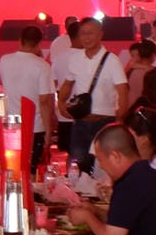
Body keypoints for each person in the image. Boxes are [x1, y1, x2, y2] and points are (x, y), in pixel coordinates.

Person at [54, 17, 127, 174]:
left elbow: (122, 90)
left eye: (90, 33)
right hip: (80, 122)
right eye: (83, 33)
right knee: (77, 166)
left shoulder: (112, 60)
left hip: (104, 123)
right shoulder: (75, 58)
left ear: (100, 34)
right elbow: (67, 84)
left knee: (104, 169)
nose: (86, 37)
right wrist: (60, 103)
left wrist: (120, 119)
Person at [0, 26, 54, 173]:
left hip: (12, 125)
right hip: (35, 126)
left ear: (20, 40)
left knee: (13, 168)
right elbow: (45, 101)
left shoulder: (4, 60)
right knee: (31, 171)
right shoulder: (42, 66)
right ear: (39, 42)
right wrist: (49, 131)